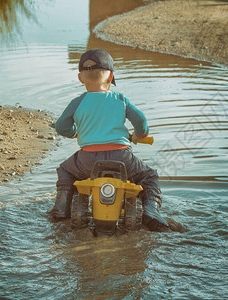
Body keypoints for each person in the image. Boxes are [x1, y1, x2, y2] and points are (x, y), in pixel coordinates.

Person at [48, 48, 169, 232]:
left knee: (65, 170)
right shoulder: (120, 99)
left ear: (80, 78)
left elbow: (61, 126)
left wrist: (75, 133)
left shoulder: (78, 102)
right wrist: (139, 135)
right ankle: (151, 210)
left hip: (87, 160)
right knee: (149, 176)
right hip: (122, 157)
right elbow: (141, 121)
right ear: (111, 76)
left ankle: (61, 209)